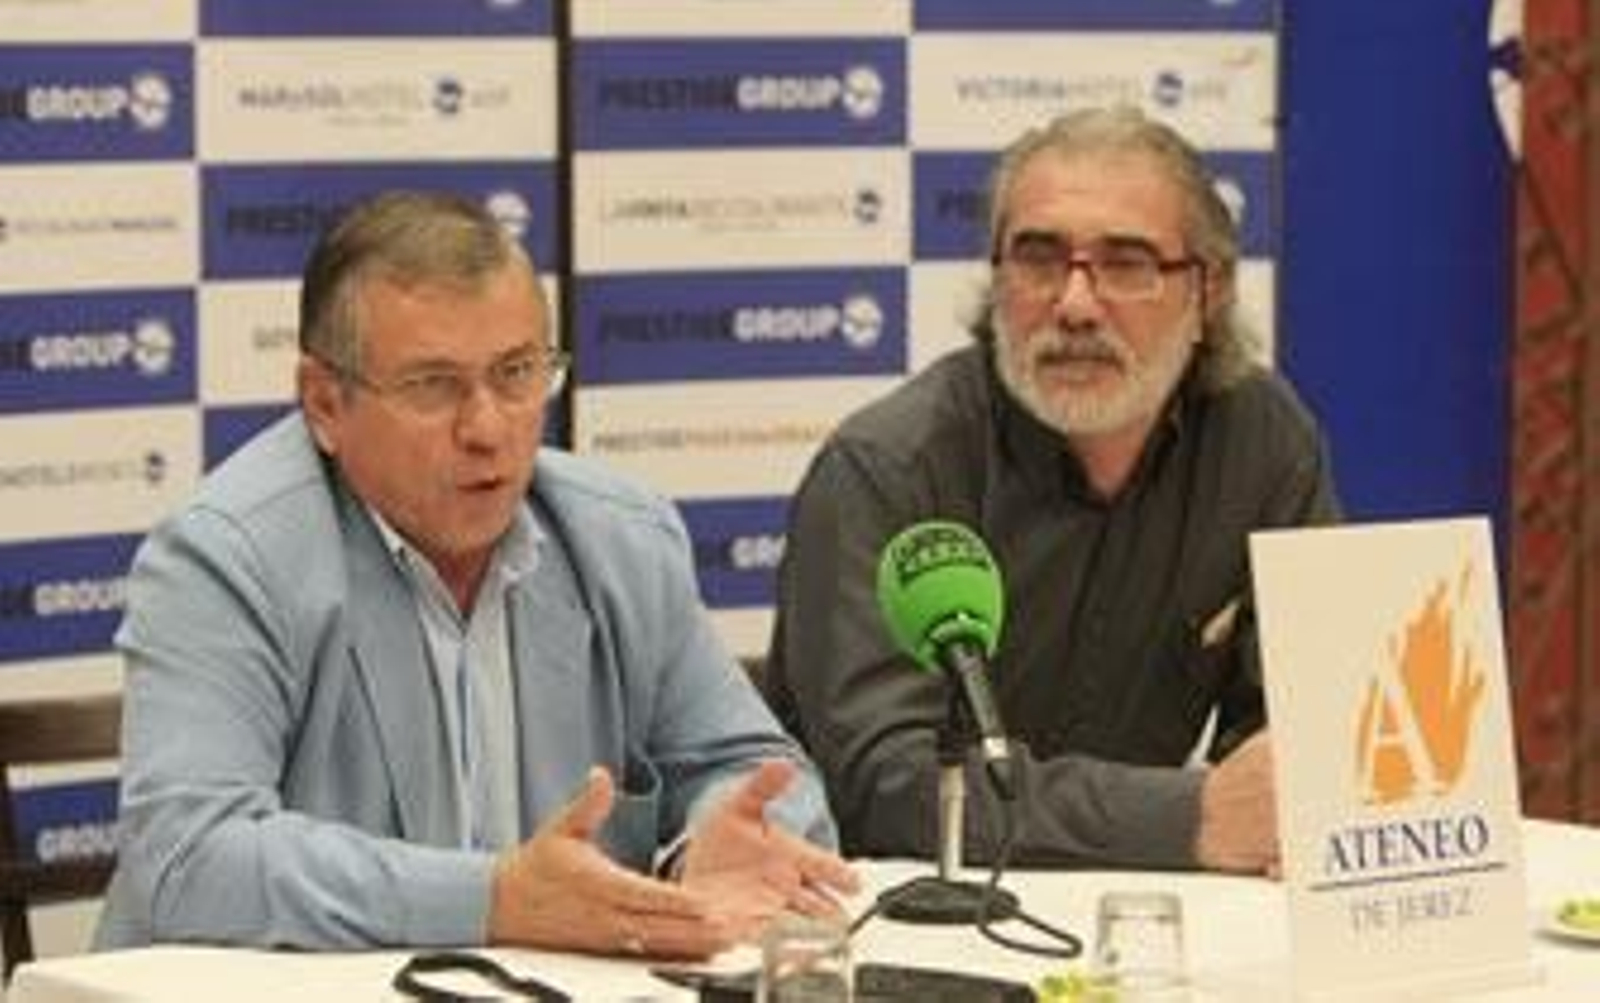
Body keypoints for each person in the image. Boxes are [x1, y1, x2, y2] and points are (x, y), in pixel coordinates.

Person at [96, 190, 857, 958]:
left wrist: (699, 852)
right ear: (325, 403)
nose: (488, 428)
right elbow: (189, 857)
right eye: (433, 385)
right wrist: (493, 899)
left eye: (517, 372)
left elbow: (758, 774)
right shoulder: (229, 556)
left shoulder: (619, 538)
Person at [766, 106, 1340, 875]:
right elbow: (886, 788)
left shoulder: (1263, 441)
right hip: (905, 913)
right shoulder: (889, 469)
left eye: (1126, 264)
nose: (1074, 305)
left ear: (1208, 292)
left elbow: (1298, 735)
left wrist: (1274, 804)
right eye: (1039, 260)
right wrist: (1187, 818)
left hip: (1151, 915)